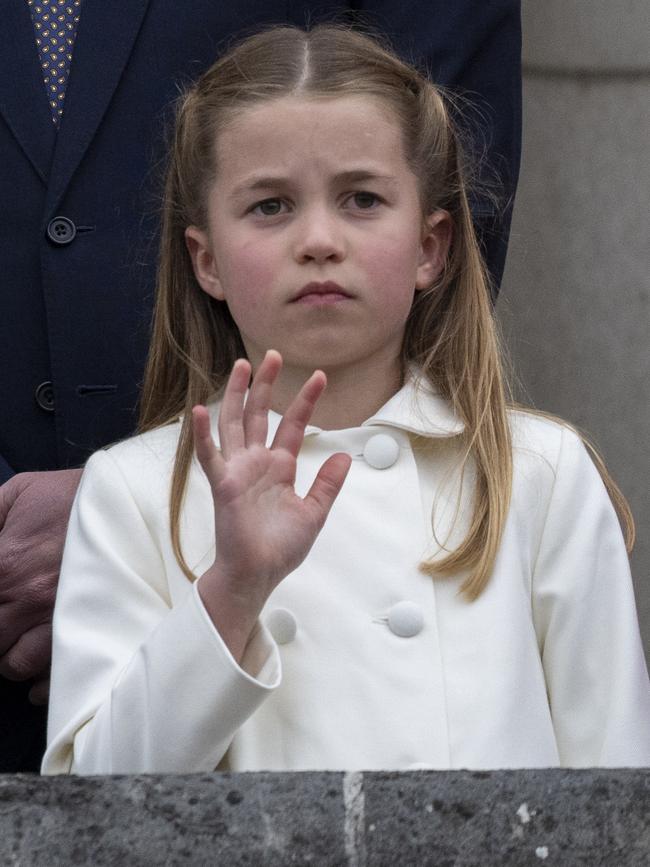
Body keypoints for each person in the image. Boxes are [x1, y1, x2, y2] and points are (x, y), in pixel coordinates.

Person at [42, 22, 649, 775]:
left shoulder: (540, 476)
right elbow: (93, 816)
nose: (319, 239)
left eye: (361, 199)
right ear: (207, 261)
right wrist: (232, 591)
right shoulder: (130, 491)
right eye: (270, 206)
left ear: (432, 247)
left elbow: (619, 798)